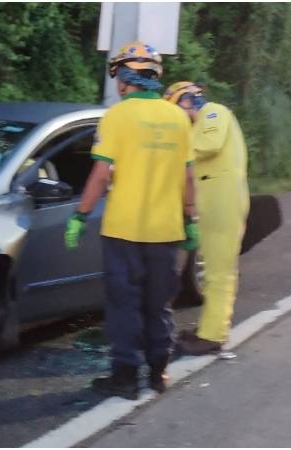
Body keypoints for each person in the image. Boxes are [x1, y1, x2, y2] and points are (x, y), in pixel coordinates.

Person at [64, 42, 196, 399]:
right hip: (165, 233)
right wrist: (190, 219)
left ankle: (124, 380)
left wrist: (80, 215)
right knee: (158, 305)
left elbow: (100, 175)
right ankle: (158, 373)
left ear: (125, 77)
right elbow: (187, 177)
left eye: (117, 76)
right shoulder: (178, 118)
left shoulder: (117, 116)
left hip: (123, 231)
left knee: (124, 307)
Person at [163, 81, 250, 355]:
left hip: (224, 203)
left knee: (219, 272)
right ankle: (207, 329)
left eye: (178, 109)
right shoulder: (196, 125)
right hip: (211, 203)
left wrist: (170, 147)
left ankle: (214, 335)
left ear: (188, 100)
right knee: (212, 271)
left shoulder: (214, 112)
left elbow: (209, 145)